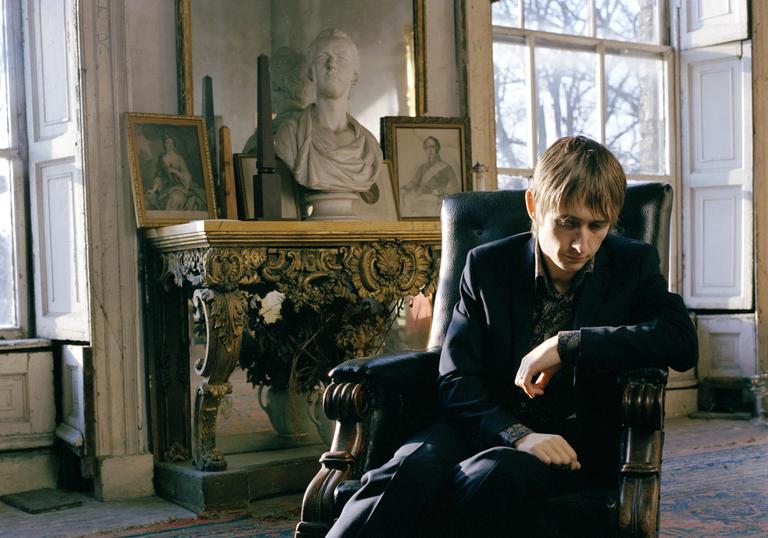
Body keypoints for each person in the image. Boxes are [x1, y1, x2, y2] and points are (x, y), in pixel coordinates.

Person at [326, 135, 698, 537]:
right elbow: (455, 380)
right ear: (534, 206)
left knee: (491, 474)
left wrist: (567, 345)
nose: (580, 243)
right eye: (567, 222)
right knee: (407, 469)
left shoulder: (632, 263)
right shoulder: (487, 265)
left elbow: (680, 341)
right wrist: (518, 435)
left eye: (597, 226)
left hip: (568, 444)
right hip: (477, 425)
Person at [274, 28, 381, 194]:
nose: (331, 65)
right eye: (323, 58)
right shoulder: (289, 136)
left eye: (341, 59)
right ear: (310, 72)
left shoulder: (369, 147)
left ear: (355, 75)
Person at [400, 136, 459, 216]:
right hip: (422, 201)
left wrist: (440, 190)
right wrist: (404, 189)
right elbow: (414, 182)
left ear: (437, 148)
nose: (429, 150)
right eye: (427, 147)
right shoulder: (422, 168)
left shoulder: (446, 168)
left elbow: (455, 188)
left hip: (438, 202)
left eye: (432, 147)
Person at [145, 134, 207, 211]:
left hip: (179, 188)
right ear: (164, 144)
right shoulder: (162, 159)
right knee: (159, 199)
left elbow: (186, 176)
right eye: (167, 142)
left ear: (174, 144)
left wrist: (175, 171)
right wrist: (153, 190)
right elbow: (159, 176)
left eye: (171, 142)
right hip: (166, 189)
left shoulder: (179, 159)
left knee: (174, 199)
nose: (169, 145)